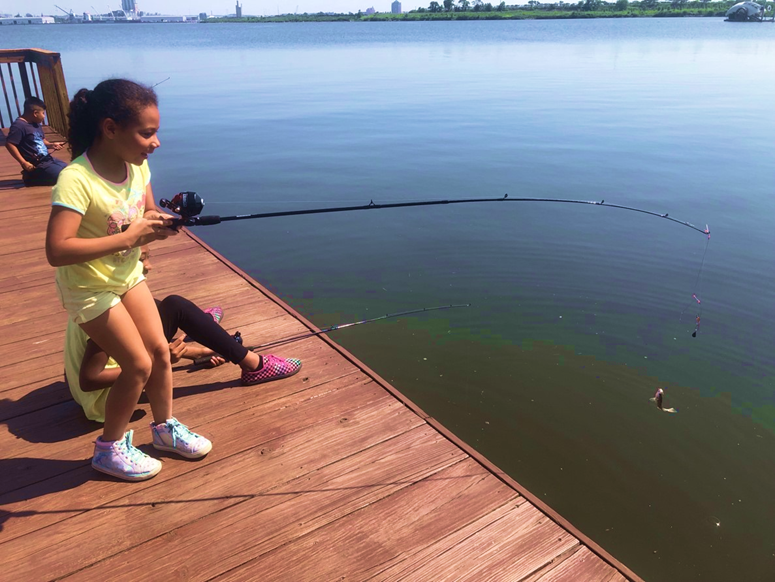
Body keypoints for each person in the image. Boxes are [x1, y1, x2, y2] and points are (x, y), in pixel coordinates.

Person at [45, 78, 206, 482]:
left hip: (126, 275)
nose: (156, 143)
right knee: (137, 364)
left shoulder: (138, 166)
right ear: (110, 128)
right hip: (88, 288)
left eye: (156, 133)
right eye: (147, 133)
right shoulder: (76, 179)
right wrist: (129, 238)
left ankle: (164, 429)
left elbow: (146, 212)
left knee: (160, 351)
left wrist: (161, 223)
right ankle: (108, 449)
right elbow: (57, 250)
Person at [66, 286, 302, 423]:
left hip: (92, 387)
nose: (148, 266)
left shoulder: (99, 293)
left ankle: (199, 325)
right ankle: (254, 365)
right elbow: (90, 379)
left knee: (159, 306)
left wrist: (199, 352)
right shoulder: (104, 312)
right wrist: (159, 361)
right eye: (143, 259)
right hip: (103, 401)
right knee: (176, 306)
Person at [5, 96, 67, 187]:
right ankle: (31, 177)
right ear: (35, 113)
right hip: (37, 165)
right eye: (43, 113)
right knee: (64, 177)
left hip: (48, 160)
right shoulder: (18, 126)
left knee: (69, 170)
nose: (44, 116)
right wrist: (23, 162)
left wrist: (51, 145)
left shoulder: (36, 124)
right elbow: (10, 144)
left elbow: (41, 140)